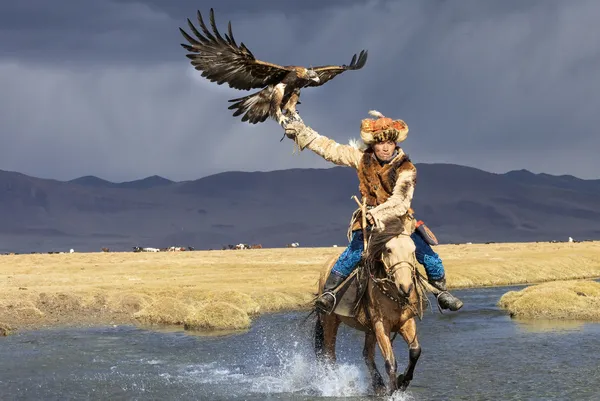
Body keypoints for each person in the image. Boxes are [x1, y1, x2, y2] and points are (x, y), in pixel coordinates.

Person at [282, 110, 463, 313]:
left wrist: (377, 213)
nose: (385, 148)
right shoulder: (362, 159)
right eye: (380, 143)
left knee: (429, 258)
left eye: (389, 143)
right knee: (352, 255)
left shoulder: (407, 169)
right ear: (372, 144)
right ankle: (330, 294)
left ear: (395, 144)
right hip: (368, 223)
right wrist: (303, 133)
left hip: (399, 223)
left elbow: (400, 202)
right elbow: (331, 150)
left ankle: (441, 293)